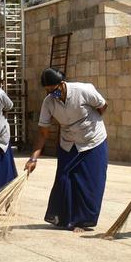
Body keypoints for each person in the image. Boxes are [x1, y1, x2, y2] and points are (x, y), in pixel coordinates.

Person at [24, 68, 108, 232]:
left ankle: (83, 221)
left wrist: (90, 121)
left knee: (90, 182)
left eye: (53, 90)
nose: (51, 94)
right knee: (65, 180)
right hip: (68, 142)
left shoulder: (84, 90)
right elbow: (43, 132)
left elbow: (103, 106)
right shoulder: (48, 102)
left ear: (62, 84)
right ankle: (66, 219)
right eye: (47, 91)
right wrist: (33, 158)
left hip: (93, 140)